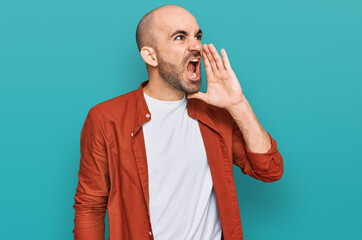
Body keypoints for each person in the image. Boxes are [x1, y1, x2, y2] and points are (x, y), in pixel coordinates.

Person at [73, 4, 283, 240]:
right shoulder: (106, 118)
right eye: (180, 37)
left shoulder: (216, 114)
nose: (196, 46)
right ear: (150, 55)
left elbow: (270, 170)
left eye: (197, 36)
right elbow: (89, 206)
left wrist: (238, 104)